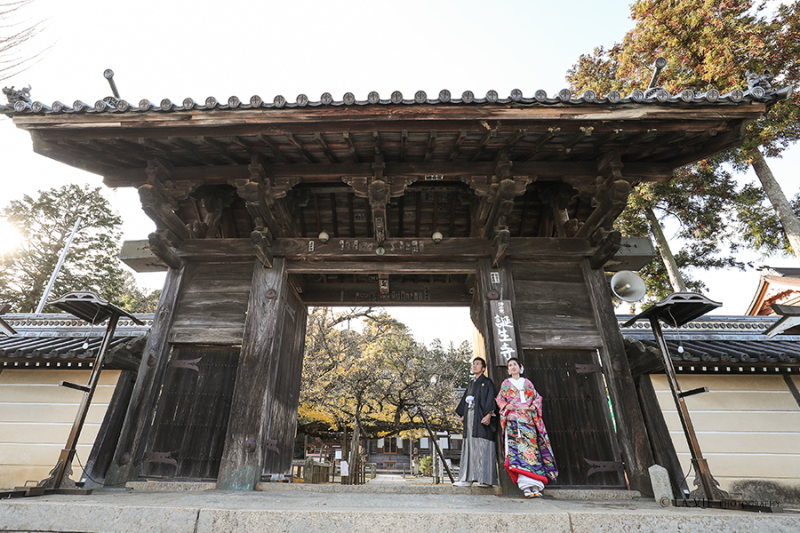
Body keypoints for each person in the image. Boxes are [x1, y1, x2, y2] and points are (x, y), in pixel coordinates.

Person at [495, 357, 558, 498]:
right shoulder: (505, 384)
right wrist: (506, 406)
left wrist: (533, 406)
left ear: (520, 367)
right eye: (510, 365)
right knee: (519, 453)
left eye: (514, 364)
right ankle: (526, 487)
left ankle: (536, 485)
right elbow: (500, 399)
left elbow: (537, 398)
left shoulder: (528, 383)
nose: (512, 367)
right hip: (514, 422)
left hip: (528, 421)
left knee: (532, 452)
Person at [454, 357, 498, 487]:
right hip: (470, 420)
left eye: (478, 364)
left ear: (483, 368)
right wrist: (463, 414)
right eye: (473, 364)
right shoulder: (471, 384)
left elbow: (491, 399)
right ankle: (467, 479)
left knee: (483, 447)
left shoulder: (487, 382)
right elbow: (465, 402)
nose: (474, 366)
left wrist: (489, 414)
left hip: (482, 420)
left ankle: (486, 480)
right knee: (469, 447)